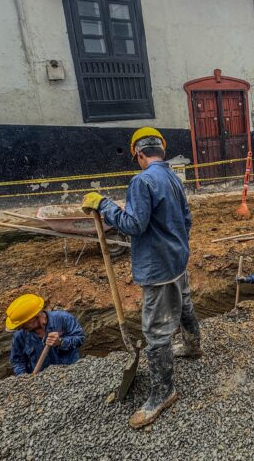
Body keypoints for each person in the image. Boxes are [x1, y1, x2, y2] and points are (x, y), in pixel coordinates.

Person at [81, 126, 201, 429]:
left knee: (156, 332)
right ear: (160, 148)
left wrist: (104, 204)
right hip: (176, 259)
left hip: (158, 267)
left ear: (138, 154)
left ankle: (163, 392)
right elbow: (186, 218)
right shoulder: (173, 175)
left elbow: (133, 225)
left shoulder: (142, 180)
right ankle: (192, 345)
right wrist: (178, 246)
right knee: (184, 301)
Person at [6, 293, 85, 376]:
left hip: (71, 375)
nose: (21, 328)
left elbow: (81, 338)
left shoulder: (64, 318)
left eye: (23, 324)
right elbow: (17, 361)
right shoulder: (20, 335)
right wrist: (23, 378)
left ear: (36, 317)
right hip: (42, 382)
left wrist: (61, 342)